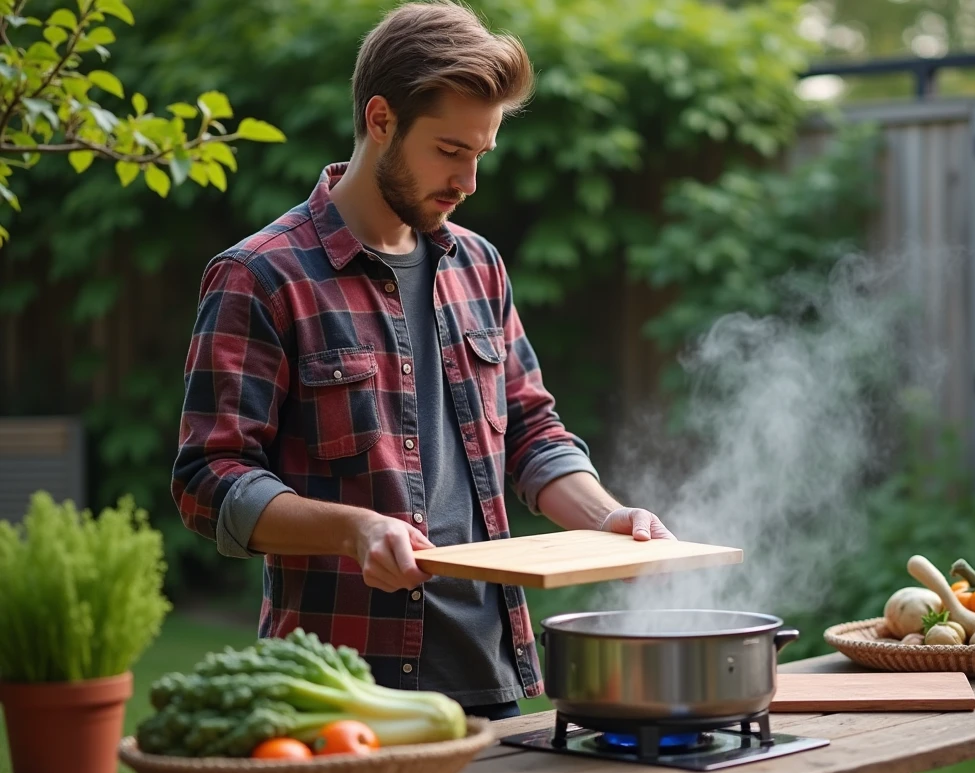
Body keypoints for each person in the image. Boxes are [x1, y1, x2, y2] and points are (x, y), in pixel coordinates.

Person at [170, 0, 675, 722]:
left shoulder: (480, 265)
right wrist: (354, 530)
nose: (469, 181)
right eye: (449, 150)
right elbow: (207, 479)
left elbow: (532, 431)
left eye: (480, 154)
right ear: (381, 120)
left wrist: (608, 515)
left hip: (493, 673)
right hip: (341, 690)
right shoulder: (261, 275)